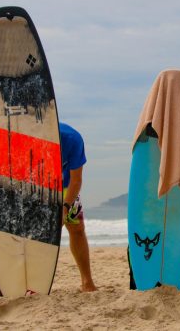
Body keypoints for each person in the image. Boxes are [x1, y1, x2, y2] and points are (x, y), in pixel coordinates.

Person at [60, 122, 98, 292]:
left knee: (77, 228)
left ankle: (87, 281)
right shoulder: (28, 137)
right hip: (36, 185)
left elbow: (76, 180)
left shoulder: (72, 139)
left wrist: (65, 207)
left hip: (66, 187)